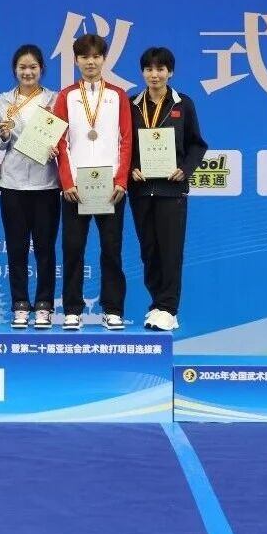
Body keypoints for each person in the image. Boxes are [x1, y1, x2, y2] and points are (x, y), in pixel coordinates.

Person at [53, 34, 132, 331]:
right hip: (75, 187)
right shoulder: (66, 96)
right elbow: (60, 142)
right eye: (85, 57)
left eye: (96, 56)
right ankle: (72, 309)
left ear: (104, 59)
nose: (91, 62)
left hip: (111, 187)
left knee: (111, 249)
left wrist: (121, 180)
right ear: (76, 60)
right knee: (73, 248)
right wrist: (67, 182)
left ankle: (113, 309)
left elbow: (127, 139)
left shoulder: (118, 95)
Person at [128, 47, 207, 332]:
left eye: (160, 69)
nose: (155, 75)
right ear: (142, 72)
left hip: (171, 191)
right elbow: (123, 144)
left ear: (170, 72)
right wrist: (130, 168)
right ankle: (157, 305)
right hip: (140, 190)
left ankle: (169, 309)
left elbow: (197, 144)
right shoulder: (131, 105)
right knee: (149, 251)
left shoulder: (183, 104)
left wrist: (185, 169)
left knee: (170, 251)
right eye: (149, 69)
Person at [0, 44, 60, 330]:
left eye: (33, 67)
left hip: (47, 183)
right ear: (15, 70)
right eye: (22, 67)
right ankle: (20, 304)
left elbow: (63, 138)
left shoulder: (54, 99)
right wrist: (3, 134)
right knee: (16, 248)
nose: (27, 72)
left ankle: (44, 304)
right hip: (13, 183)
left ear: (41, 69)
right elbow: (0, 144)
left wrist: (56, 147)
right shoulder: (3, 100)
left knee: (45, 248)